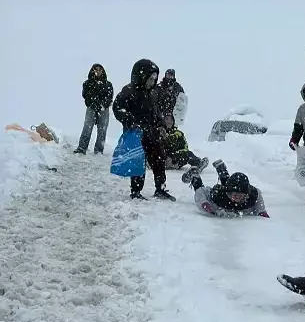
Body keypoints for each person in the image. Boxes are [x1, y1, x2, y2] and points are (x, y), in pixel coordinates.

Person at [112, 58, 175, 201]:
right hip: (136, 134)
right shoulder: (128, 91)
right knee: (138, 163)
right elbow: (117, 108)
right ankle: (135, 191)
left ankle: (161, 189)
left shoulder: (152, 93)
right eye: (150, 78)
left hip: (152, 132)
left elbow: (155, 111)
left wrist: (161, 124)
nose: (152, 81)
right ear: (141, 76)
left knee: (159, 159)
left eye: (154, 78)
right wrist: (129, 119)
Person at [181, 160, 268, 218]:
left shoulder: (252, 196)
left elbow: (258, 198)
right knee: (200, 187)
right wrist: (204, 203)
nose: (237, 198)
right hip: (224, 192)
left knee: (232, 185)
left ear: (246, 195)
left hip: (230, 189)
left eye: (241, 196)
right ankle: (194, 175)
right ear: (229, 194)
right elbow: (201, 191)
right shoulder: (218, 195)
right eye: (235, 195)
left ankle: (221, 168)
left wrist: (261, 211)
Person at [75, 63, 113, 154]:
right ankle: (82, 148)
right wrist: (92, 102)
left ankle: (99, 150)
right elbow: (85, 95)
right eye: (96, 69)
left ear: (103, 71)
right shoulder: (87, 83)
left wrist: (103, 105)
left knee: (102, 130)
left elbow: (110, 96)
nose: (98, 71)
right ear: (92, 71)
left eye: (100, 70)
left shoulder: (108, 84)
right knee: (87, 128)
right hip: (91, 108)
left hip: (104, 109)